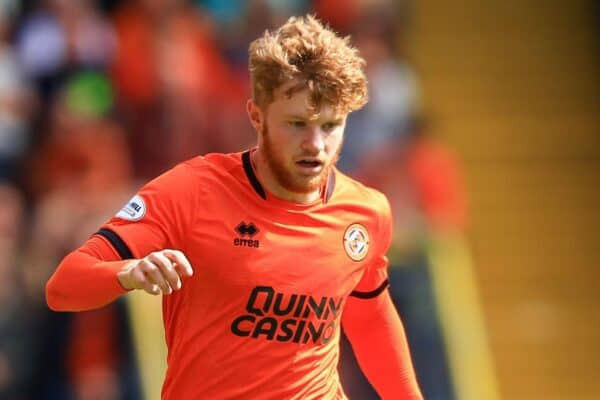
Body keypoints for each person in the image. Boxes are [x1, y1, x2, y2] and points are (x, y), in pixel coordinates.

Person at [46, 15, 423, 399]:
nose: (316, 144)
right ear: (256, 117)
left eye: (330, 125)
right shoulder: (192, 191)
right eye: (297, 124)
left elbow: (371, 320)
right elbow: (63, 287)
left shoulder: (365, 212)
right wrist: (127, 273)